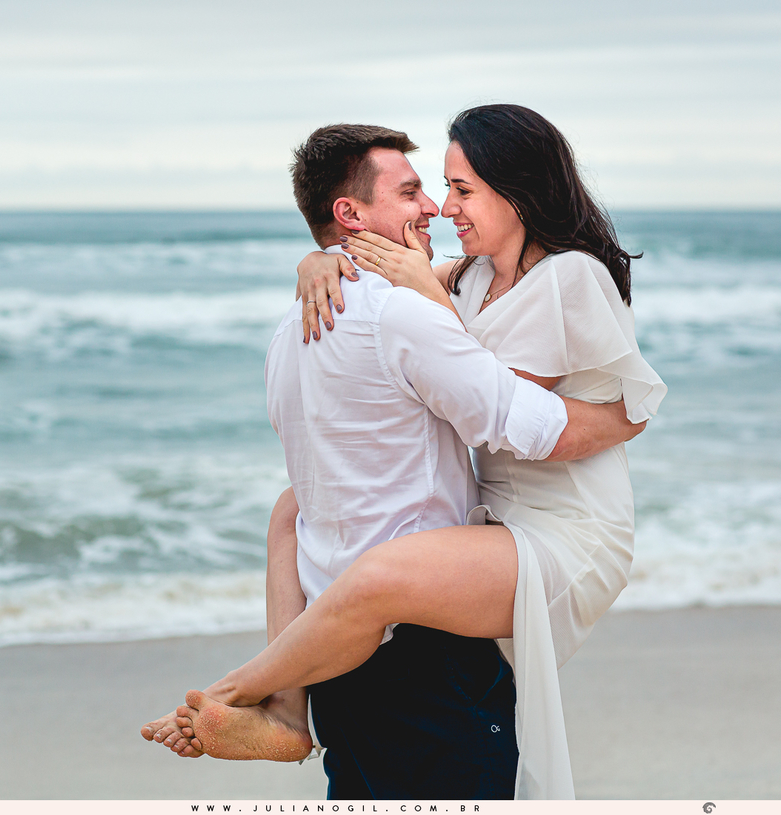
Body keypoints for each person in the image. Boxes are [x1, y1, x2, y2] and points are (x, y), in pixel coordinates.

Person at [143, 111, 659, 798]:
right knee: (293, 509)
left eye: (458, 190)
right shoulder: (460, 281)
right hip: (493, 526)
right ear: (350, 213)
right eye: (424, 189)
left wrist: (626, 417)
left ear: (519, 190)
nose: (440, 209)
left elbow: (518, 419)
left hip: (561, 524)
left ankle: (251, 688)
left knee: (370, 567)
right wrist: (324, 256)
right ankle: (284, 710)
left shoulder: (559, 279)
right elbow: (484, 387)